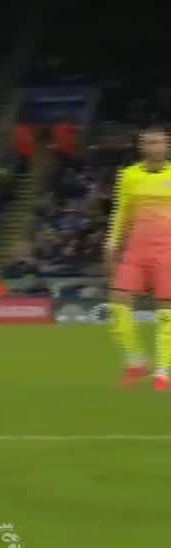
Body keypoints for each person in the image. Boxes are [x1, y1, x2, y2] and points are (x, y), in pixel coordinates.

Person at [106, 125, 171, 391]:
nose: (155, 147)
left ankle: (163, 372)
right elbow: (122, 211)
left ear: (167, 145)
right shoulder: (129, 175)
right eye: (149, 143)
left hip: (167, 250)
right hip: (136, 250)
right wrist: (112, 241)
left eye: (159, 142)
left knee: (166, 310)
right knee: (118, 301)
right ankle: (136, 361)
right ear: (141, 147)